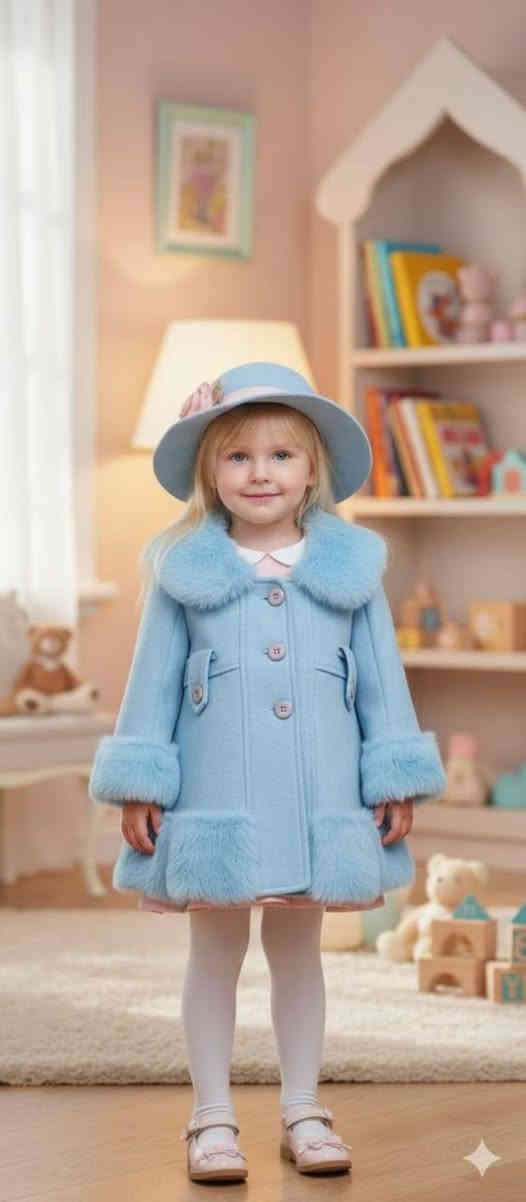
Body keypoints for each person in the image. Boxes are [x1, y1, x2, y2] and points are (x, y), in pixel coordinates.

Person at [89, 361, 446, 1183]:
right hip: (214, 796)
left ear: (312, 470)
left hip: (323, 792)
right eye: (238, 456)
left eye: (281, 455)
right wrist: (141, 780)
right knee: (214, 951)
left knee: (299, 951)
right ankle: (210, 1118)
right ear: (210, 471)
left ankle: (304, 1108)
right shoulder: (184, 568)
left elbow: (382, 679)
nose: (261, 473)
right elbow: (151, 681)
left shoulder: (350, 569)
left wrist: (393, 772)